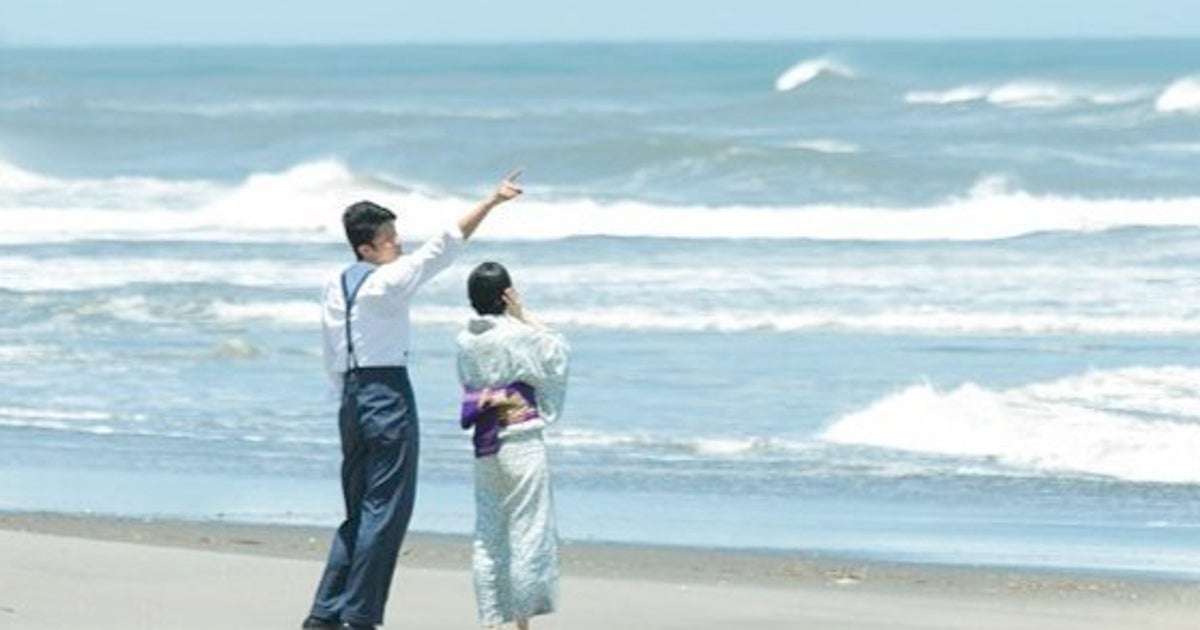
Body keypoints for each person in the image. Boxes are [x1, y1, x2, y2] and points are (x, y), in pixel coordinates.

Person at [303, 173, 523, 630]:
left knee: (359, 509)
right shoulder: (388, 282)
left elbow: (329, 347)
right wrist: (490, 201)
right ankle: (360, 616)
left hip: (350, 396)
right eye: (388, 238)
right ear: (366, 247)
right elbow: (444, 245)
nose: (397, 244)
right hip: (386, 395)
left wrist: (340, 393)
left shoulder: (334, 282)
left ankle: (325, 612)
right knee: (386, 510)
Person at [456, 262, 569, 630]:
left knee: (489, 533)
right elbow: (557, 353)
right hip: (520, 438)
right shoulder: (517, 334)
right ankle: (522, 623)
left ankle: (490, 620)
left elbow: (468, 382)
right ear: (507, 294)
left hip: (485, 440)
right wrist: (523, 314)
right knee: (527, 528)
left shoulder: (465, 339)